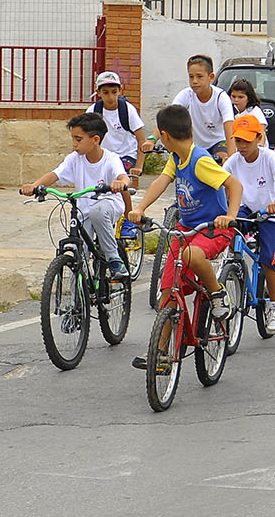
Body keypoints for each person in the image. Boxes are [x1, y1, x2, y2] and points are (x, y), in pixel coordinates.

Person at [128, 104, 244, 356]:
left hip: (214, 229)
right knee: (168, 293)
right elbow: (161, 181)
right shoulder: (176, 158)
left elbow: (234, 185)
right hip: (187, 229)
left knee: (191, 255)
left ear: (164, 135)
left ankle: (216, 292)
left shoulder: (200, 160)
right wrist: (141, 208)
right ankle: (160, 354)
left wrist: (230, 216)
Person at [20, 112, 132, 280]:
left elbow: (123, 177)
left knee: (97, 212)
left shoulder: (110, 159)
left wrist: (120, 182)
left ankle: (113, 259)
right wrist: (35, 186)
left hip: (108, 205)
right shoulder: (74, 159)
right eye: (72, 138)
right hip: (84, 210)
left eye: (78, 139)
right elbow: (55, 174)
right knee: (78, 254)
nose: (74, 144)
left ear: (95, 140)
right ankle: (75, 301)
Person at [223, 114, 275, 334]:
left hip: (272, 216)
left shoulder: (269, 157)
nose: (242, 146)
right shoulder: (233, 161)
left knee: (267, 258)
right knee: (225, 234)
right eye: (238, 141)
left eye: (246, 140)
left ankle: (274, 306)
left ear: (258, 137)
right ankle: (228, 274)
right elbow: (217, 182)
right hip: (246, 212)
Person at [89, 71, 149, 226]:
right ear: (98, 93)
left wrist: (139, 166)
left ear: (120, 91)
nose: (110, 97)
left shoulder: (127, 110)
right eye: (105, 92)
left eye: (114, 92)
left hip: (125, 155)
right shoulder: (92, 112)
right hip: (104, 156)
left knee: (119, 183)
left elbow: (141, 140)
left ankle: (129, 218)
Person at [173, 54, 235, 157]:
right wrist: (153, 139)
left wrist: (231, 158)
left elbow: (230, 129)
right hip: (196, 145)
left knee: (221, 157)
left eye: (199, 76)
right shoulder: (186, 94)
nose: (194, 81)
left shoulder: (221, 97)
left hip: (218, 142)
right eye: (191, 77)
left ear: (211, 77)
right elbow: (168, 117)